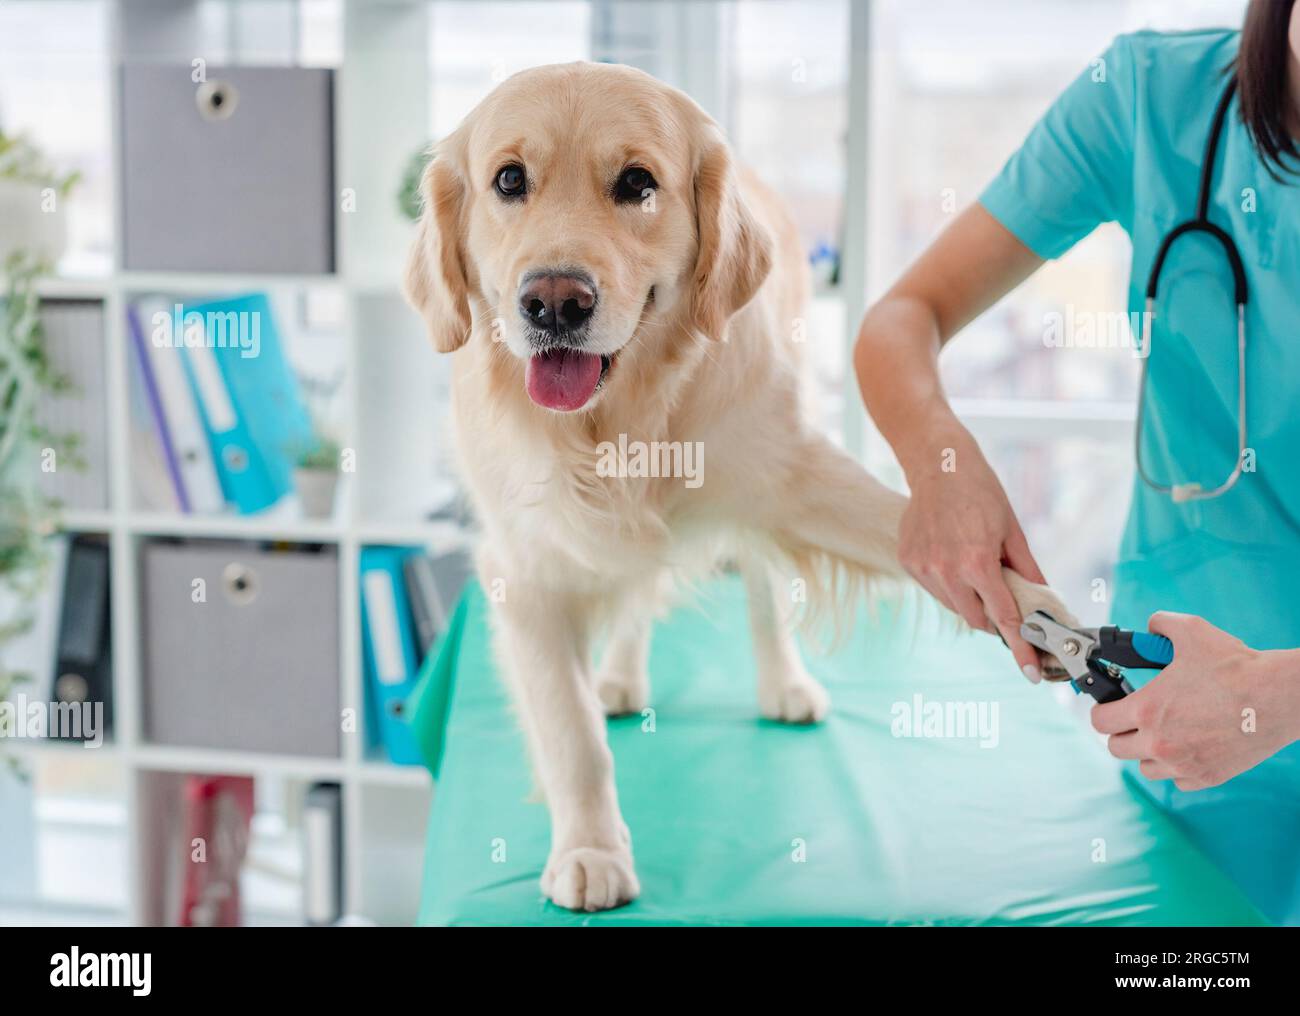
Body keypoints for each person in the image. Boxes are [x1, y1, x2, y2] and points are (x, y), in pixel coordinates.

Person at [854, 1, 1300, 925]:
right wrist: (941, 463)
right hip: (1188, 724)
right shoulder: (1149, 98)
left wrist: (1277, 696)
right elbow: (905, 315)